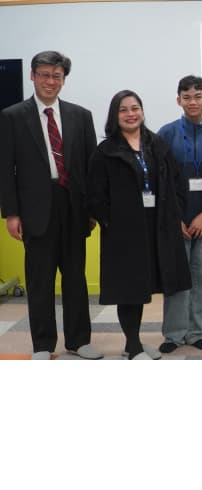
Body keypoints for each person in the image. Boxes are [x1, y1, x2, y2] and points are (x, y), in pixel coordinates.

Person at [0, 50, 100, 360]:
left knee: (75, 278)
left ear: (63, 80)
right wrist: (11, 213)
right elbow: (5, 168)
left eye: (57, 76)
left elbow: (91, 167)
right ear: (33, 76)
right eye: (44, 75)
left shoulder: (81, 116)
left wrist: (92, 209)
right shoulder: (12, 116)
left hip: (73, 206)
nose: (50, 81)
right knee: (40, 280)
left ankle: (79, 340)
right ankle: (42, 344)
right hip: (35, 208)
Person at [86, 90, 190, 359]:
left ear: (142, 111)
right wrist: (111, 221)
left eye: (135, 108)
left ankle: (135, 343)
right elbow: (95, 194)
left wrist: (175, 214)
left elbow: (175, 182)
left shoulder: (157, 145)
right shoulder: (106, 151)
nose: (130, 114)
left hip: (158, 228)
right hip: (124, 232)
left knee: (145, 287)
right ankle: (132, 346)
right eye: (123, 110)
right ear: (114, 115)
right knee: (129, 289)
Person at [156, 75, 202, 353]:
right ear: (178, 100)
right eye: (186, 97)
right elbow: (161, 181)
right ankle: (173, 334)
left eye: (198, 96)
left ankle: (196, 332)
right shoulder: (166, 134)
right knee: (176, 279)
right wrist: (175, 218)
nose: (192, 101)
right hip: (176, 222)